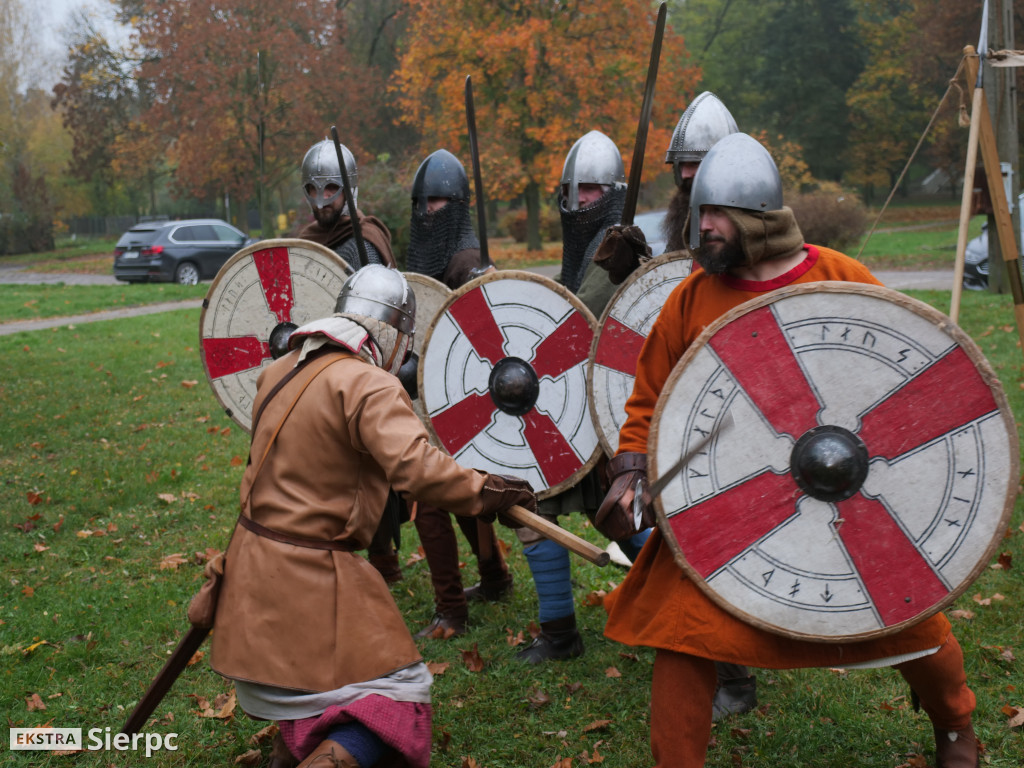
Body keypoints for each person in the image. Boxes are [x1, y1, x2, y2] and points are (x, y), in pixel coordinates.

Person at [594, 133, 980, 768]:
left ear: (757, 217)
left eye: (717, 214)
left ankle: (956, 727)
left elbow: (902, 376)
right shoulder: (691, 297)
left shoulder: (837, 278)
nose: (704, 227)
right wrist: (632, 472)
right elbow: (648, 401)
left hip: (848, 489)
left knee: (911, 607)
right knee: (681, 633)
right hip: (733, 498)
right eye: (700, 213)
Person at [205, 264, 537, 768]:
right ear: (396, 335)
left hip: (251, 573)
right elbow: (416, 469)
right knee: (398, 695)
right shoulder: (368, 384)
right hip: (309, 579)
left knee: (318, 682)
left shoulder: (280, 369)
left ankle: (285, 754)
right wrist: (486, 492)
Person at [511, 130, 653, 664]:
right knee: (532, 507)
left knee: (624, 518)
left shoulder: (628, 258)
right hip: (563, 415)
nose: (581, 201)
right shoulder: (583, 256)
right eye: (573, 191)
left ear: (613, 193)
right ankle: (560, 633)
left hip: (611, 420)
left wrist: (627, 270)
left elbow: (629, 333)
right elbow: (553, 318)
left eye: (592, 190)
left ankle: (689, 612)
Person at [404, 149, 512, 638]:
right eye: (424, 203)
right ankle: (495, 577)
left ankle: (451, 611)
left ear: (460, 204)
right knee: (458, 494)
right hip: (441, 397)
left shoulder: (468, 260)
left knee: (430, 499)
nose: (430, 212)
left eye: (441, 202)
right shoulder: (429, 257)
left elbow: (485, 339)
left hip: (468, 398)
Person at [293, 137, 403, 583]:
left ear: (349, 189)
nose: (322, 201)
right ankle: (365, 560)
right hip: (321, 356)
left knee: (367, 466)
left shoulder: (365, 242)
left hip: (359, 363)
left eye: (331, 189)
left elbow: (378, 316)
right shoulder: (308, 242)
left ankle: (384, 564)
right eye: (313, 190)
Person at [294, 138, 397, 271]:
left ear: (348, 192)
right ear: (307, 191)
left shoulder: (363, 243)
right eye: (314, 187)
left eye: (332, 187)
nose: (324, 197)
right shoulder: (305, 241)